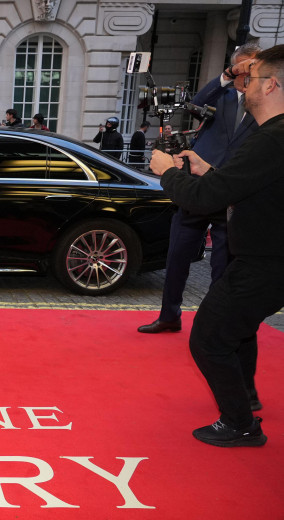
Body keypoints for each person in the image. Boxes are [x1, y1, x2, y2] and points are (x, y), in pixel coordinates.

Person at [147, 44, 284, 448]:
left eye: (252, 79)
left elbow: (205, 200)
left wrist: (168, 174)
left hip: (265, 261)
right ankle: (247, 400)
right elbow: (243, 187)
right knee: (235, 332)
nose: (245, 86)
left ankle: (241, 423)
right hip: (266, 257)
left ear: (271, 84)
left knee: (209, 338)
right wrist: (209, 171)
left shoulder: (272, 139)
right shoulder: (272, 138)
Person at [138, 44, 260, 342]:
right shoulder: (222, 96)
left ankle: (216, 325)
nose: (247, 74)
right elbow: (196, 103)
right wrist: (228, 76)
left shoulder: (263, 104)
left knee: (222, 263)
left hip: (232, 190)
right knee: (178, 254)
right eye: (242, 68)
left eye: (252, 68)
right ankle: (169, 316)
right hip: (196, 185)